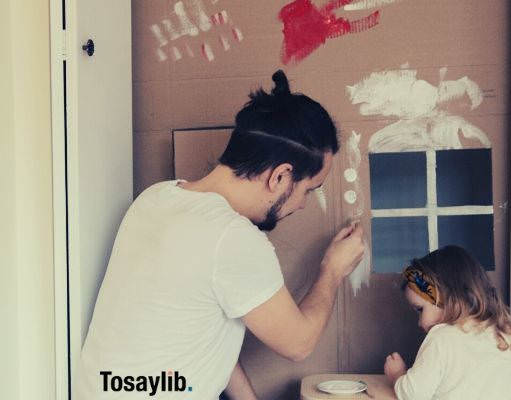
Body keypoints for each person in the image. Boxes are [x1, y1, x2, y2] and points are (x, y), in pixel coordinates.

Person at [74, 70, 365, 399]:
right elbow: (298, 344)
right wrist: (332, 269)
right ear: (281, 176)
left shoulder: (157, 198)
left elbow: (203, 333)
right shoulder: (232, 239)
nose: (301, 205)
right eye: (309, 190)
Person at [383, 245, 511, 400]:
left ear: (448, 297)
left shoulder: (441, 338)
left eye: (420, 309)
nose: (420, 322)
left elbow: (413, 394)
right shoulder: (506, 335)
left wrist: (398, 375)